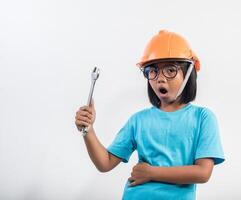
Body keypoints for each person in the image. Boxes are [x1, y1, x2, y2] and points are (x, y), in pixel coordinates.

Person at [75, 30, 225, 200]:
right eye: (152, 71)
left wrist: (151, 173)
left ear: (188, 73)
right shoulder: (138, 120)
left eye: (170, 70)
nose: (160, 78)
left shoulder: (203, 118)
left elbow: (203, 173)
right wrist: (88, 130)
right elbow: (105, 163)